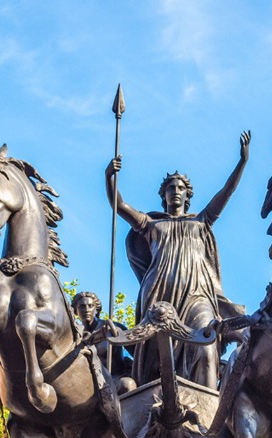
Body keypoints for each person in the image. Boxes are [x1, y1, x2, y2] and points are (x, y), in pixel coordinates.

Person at [105, 131, 250, 389]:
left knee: (206, 344)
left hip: (197, 295)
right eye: (170, 188)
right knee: (153, 364)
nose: (175, 192)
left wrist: (242, 162)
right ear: (163, 195)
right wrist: (109, 177)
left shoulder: (201, 221)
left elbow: (226, 192)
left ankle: (206, 412)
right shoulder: (151, 224)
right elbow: (119, 205)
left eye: (180, 188)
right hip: (159, 296)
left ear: (187, 195)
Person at [71, 291, 136, 395]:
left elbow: (137, 353)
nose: (86, 310)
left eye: (90, 306)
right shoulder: (75, 337)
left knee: (127, 384)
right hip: (89, 387)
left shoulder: (113, 328)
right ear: (75, 311)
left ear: (96, 309)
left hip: (115, 380)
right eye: (82, 307)